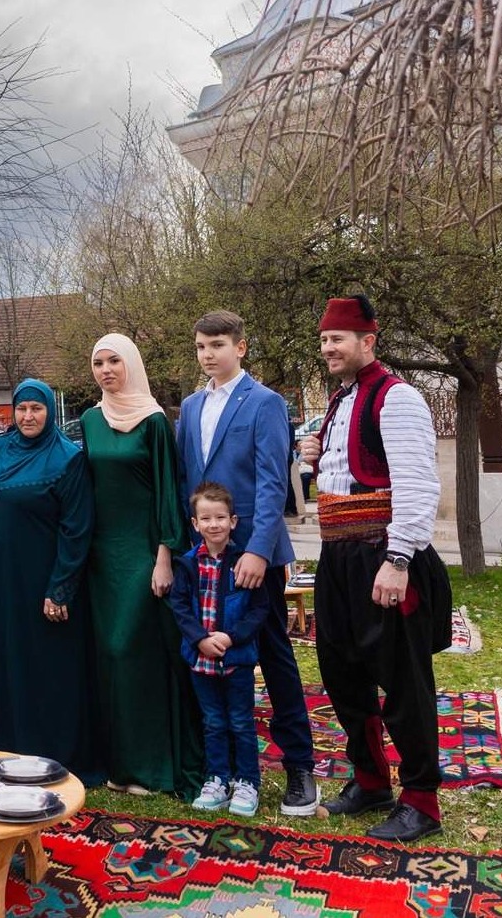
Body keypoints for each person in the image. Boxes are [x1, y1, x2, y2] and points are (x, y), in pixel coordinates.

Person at [299, 295, 452, 843]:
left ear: (369, 340)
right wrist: (318, 459)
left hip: (380, 554)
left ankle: (421, 801)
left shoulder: (399, 397)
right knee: (343, 674)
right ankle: (370, 782)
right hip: (338, 557)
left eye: (337, 339)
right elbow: (349, 476)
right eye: (323, 340)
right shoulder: (341, 400)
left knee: (404, 682)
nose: (328, 348)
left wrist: (397, 559)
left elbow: (416, 484)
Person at [174, 310, 317, 816]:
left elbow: (274, 479)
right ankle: (219, 768)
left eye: (217, 344)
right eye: (200, 346)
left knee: (274, 657)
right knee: (206, 653)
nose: (208, 354)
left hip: (255, 553)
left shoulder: (265, 403)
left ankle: (300, 767)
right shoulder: (190, 408)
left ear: (241, 347)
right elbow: (187, 484)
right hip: (204, 558)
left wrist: (256, 548)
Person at [79, 332, 205, 798]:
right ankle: (119, 764)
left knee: (133, 653)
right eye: (98, 362)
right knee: (108, 660)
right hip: (100, 557)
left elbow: (167, 492)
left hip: (144, 555)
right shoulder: (90, 421)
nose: (107, 369)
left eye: (115, 361)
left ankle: (152, 767)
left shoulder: (153, 421)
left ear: (131, 364)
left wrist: (165, 556)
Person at [0, 379, 99, 782]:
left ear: (49, 412)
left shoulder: (67, 458)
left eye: (36, 409)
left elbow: (77, 528)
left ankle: (43, 748)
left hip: (36, 581)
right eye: (21, 409)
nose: (27, 416)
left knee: (37, 663)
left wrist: (60, 586)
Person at [171, 483, 270, 817]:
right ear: (195, 524)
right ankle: (217, 779)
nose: (214, 524)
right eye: (206, 518)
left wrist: (231, 638)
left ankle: (247, 782)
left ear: (233, 521)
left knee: (241, 722)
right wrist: (199, 638)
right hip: (201, 661)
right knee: (213, 721)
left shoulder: (244, 563)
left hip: (235, 660)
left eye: (220, 517)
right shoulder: (186, 564)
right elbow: (180, 606)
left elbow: (259, 609)